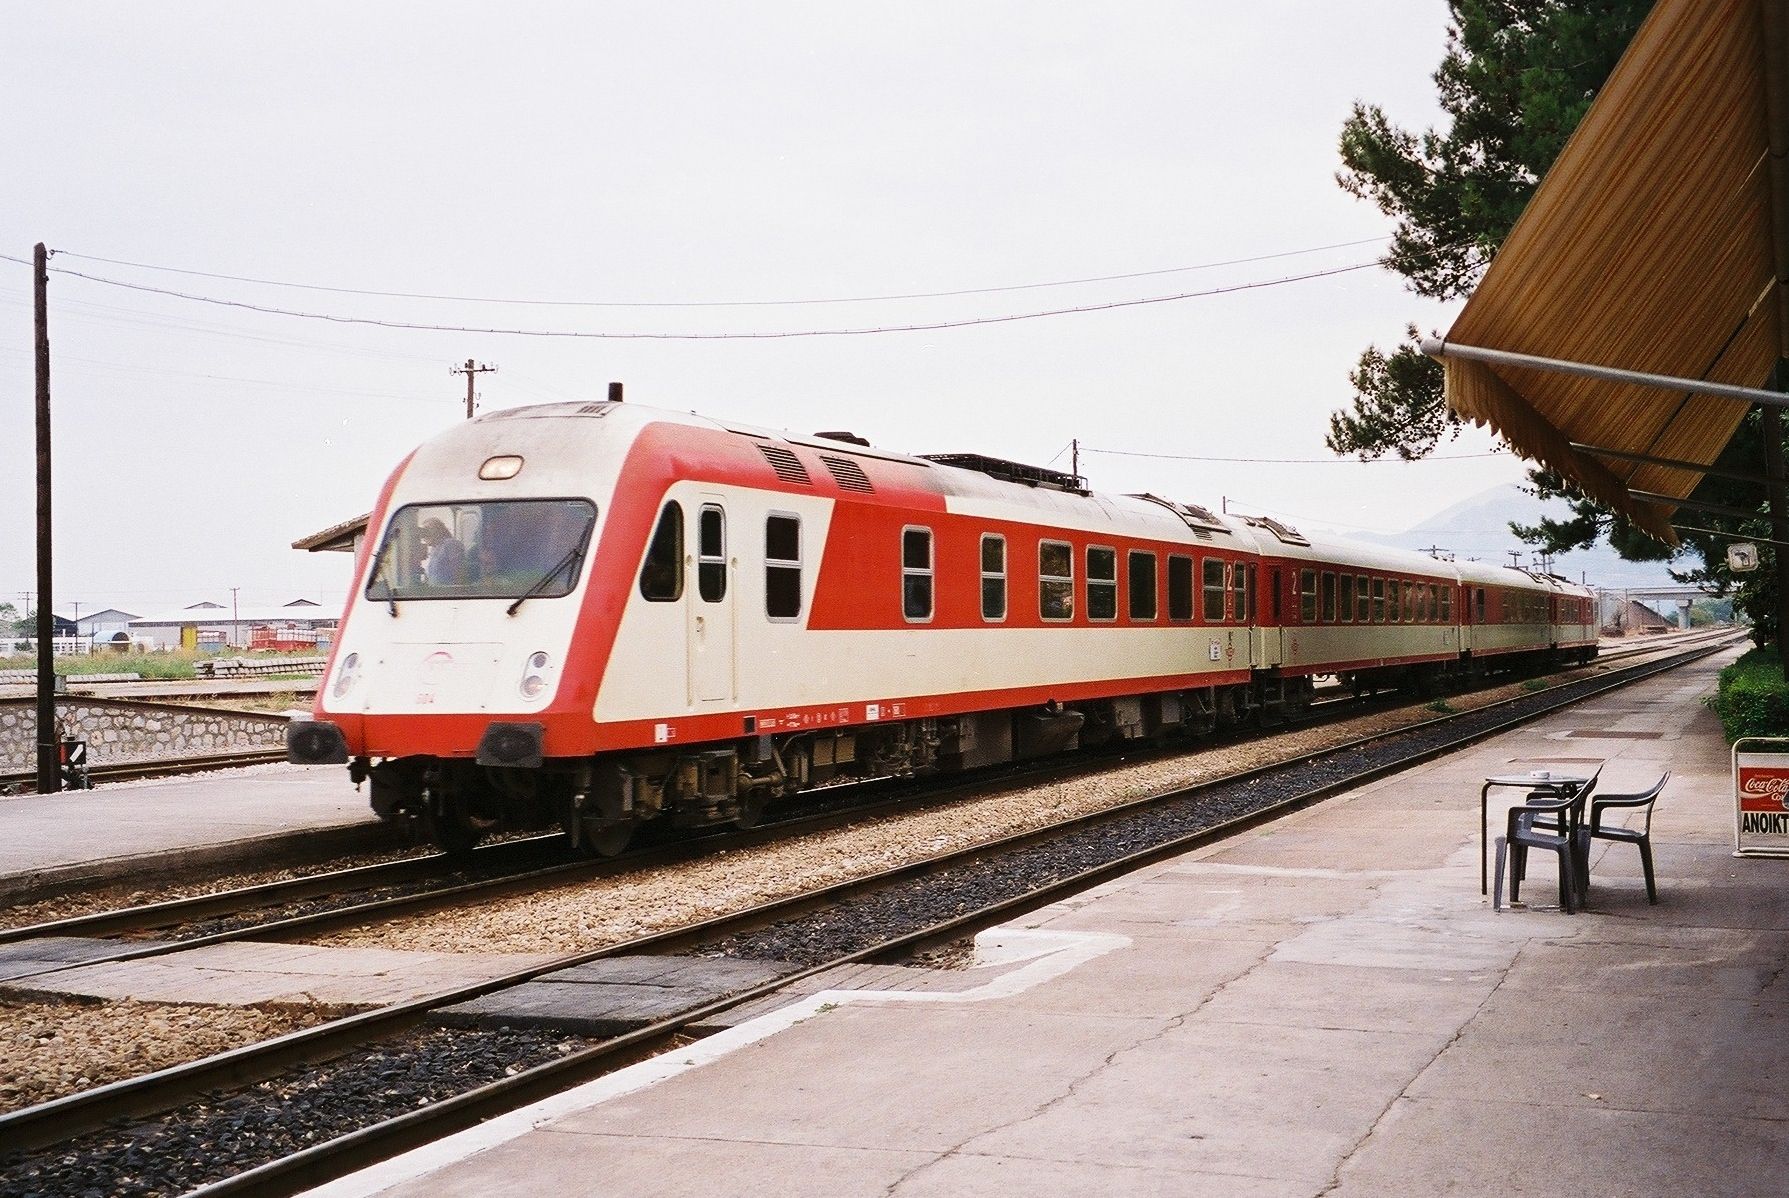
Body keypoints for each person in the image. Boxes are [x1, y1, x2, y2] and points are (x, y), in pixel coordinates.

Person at [419, 517, 466, 585]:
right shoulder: (434, 549)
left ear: (438, 530)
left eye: (427, 530)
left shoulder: (451, 544)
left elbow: (459, 572)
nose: (424, 535)